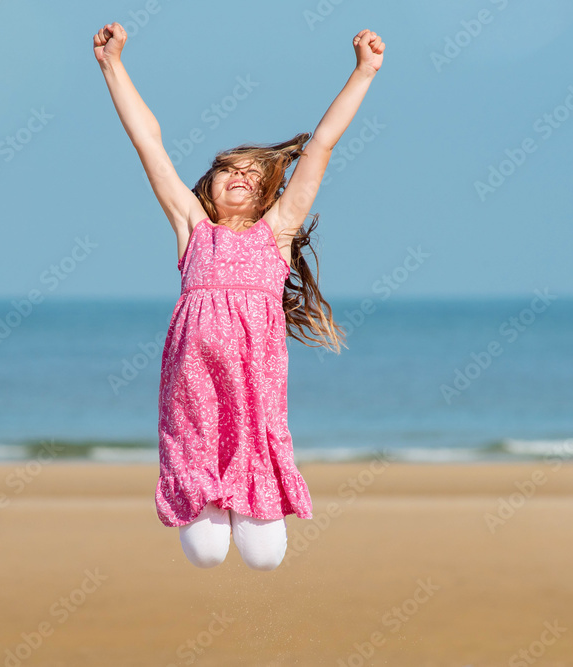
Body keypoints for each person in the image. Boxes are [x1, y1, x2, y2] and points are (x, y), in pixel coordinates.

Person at [94, 21, 385, 570]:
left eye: (252, 175)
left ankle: (253, 495)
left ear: (267, 193)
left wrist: (363, 72)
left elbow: (320, 145)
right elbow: (148, 143)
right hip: (193, 393)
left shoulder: (276, 233)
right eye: (228, 169)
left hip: (253, 397)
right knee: (205, 553)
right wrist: (113, 65)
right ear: (209, 183)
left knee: (265, 557)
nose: (239, 178)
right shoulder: (191, 226)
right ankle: (203, 492)